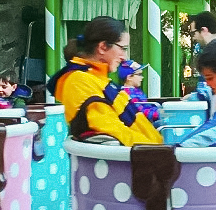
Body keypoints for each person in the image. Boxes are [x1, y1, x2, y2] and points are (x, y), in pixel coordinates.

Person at [46, 16, 163, 146]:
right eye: (122, 49)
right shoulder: (79, 80)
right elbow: (112, 132)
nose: (124, 57)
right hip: (123, 161)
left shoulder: (97, 78)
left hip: (143, 154)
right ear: (102, 47)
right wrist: (160, 149)